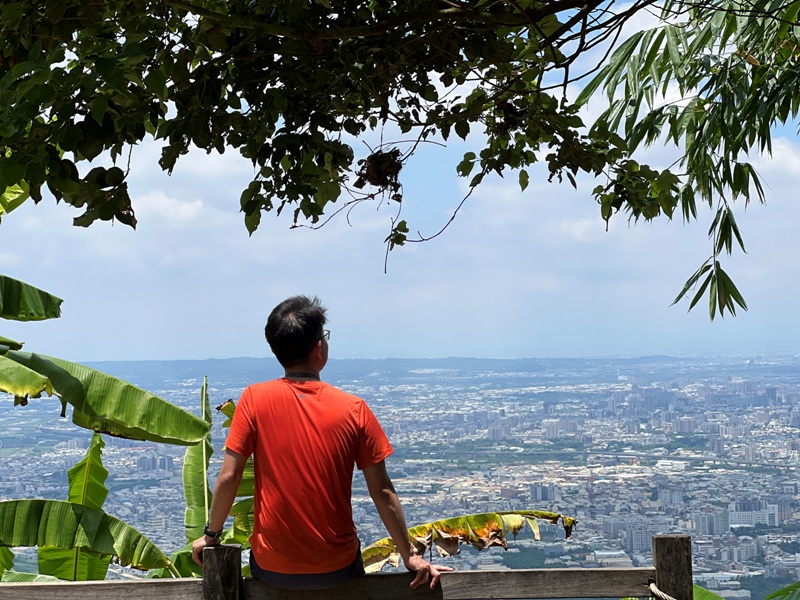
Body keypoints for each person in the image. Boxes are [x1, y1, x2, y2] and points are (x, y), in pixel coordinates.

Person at [192, 295, 450, 590]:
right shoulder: (354, 408)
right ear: (319, 349)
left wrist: (211, 535)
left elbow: (229, 476)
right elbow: (381, 490)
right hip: (337, 566)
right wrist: (410, 555)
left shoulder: (253, 399)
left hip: (273, 566)